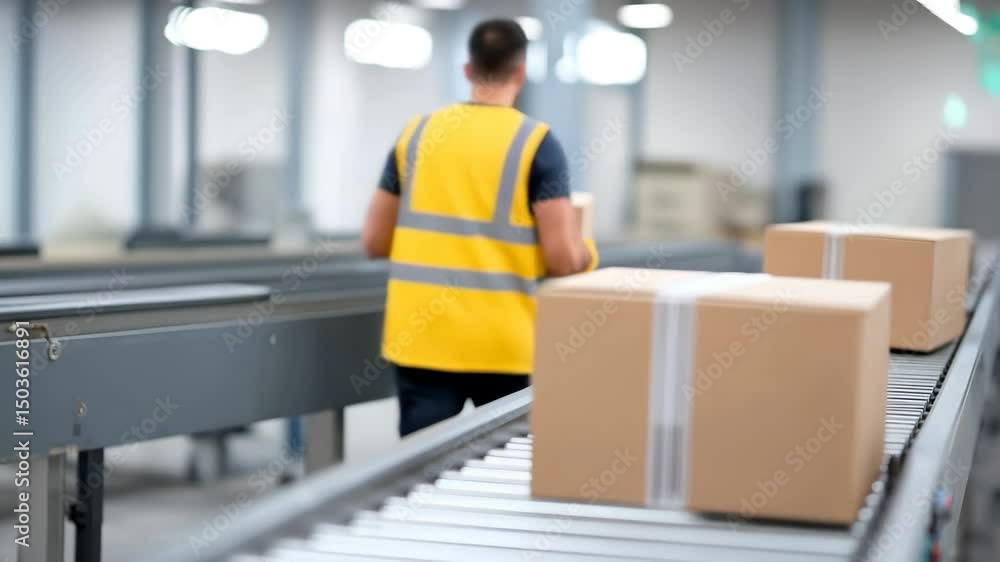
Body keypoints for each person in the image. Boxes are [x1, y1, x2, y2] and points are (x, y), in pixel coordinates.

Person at [361, 18, 598, 436]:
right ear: (521, 73)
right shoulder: (537, 143)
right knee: (499, 475)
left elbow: (376, 241)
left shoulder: (416, 135)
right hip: (503, 346)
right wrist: (588, 250)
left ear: (467, 70)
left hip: (422, 339)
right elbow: (562, 258)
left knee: (421, 476)